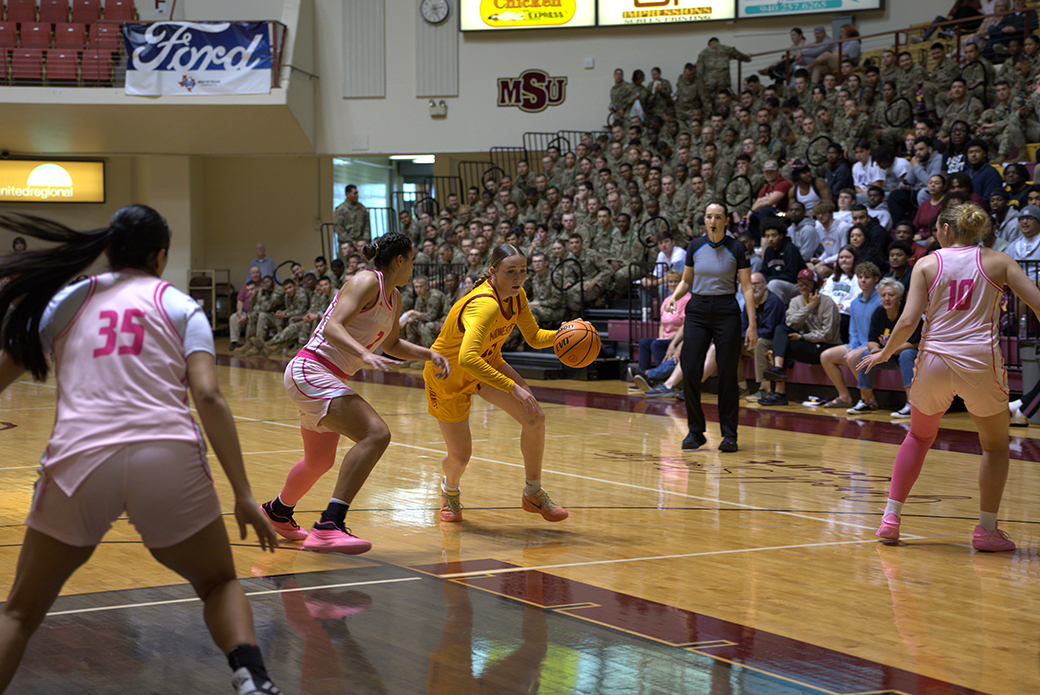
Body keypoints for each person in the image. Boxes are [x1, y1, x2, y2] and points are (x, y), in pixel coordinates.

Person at [0, 206, 282, 695]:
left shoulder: (67, 300)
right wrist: (243, 493)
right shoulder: (177, 304)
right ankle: (253, 681)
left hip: (80, 460)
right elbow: (209, 396)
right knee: (218, 583)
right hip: (166, 457)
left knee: (20, 613)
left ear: (109, 251)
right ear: (160, 256)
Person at [860, 203, 1040, 552]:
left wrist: (886, 352)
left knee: (918, 436)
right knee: (995, 446)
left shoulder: (927, 264)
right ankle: (986, 529)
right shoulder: (999, 261)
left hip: (934, 362)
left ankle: (891, 518)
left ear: (944, 229)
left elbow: (909, 321)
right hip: (979, 361)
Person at [260, 232, 450, 554]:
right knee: (376, 434)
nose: (413, 268)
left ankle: (277, 512)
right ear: (400, 260)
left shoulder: (395, 297)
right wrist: (363, 354)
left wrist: (428, 353)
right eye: (413, 261)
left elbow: (391, 345)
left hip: (322, 376)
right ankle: (329, 525)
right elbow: (334, 325)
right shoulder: (366, 281)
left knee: (318, 462)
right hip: (312, 368)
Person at [424, 244, 568, 524]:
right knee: (461, 455)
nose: (518, 278)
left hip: (485, 364)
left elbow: (535, 337)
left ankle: (533, 493)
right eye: (510, 272)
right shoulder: (484, 305)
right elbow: (466, 358)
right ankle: (449, 491)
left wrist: (565, 333)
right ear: (493, 272)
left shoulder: (517, 295)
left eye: (523, 271)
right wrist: (513, 387)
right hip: (448, 375)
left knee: (535, 418)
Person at [663, 202, 756, 453]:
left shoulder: (737, 248)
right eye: (708, 216)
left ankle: (729, 435)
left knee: (727, 375)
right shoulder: (695, 246)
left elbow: (747, 287)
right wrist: (674, 298)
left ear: (726, 221)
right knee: (691, 370)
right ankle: (696, 431)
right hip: (698, 310)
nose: (712, 221)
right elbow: (686, 281)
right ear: (704, 220)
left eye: (717, 217)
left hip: (726, 309)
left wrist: (752, 325)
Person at [759, 269, 842, 406]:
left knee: (781, 347)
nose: (803, 286)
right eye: (800, 283)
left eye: (808, 283)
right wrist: (810, 307)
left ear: (816, 285)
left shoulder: (828, 303)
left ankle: (779, 393)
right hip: (807, 344)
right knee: (780, 331)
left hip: (825, 348)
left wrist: (803, 337)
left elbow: (829, 335)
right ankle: (778, 372)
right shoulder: (795, 301)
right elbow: (790, 323)